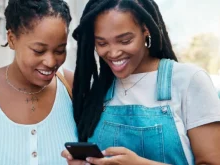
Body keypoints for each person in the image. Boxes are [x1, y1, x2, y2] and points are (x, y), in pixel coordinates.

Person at [61, 0, 220, 164]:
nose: (113, 53)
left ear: (146, 30)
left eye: (125, 41)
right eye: (102, 43)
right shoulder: (98, 89)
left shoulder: (188, 81)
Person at [0, 0, 78, 164]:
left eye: (60, 50)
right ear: (12, 39)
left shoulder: (72, 87)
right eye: (38, 51)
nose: (50, 61)